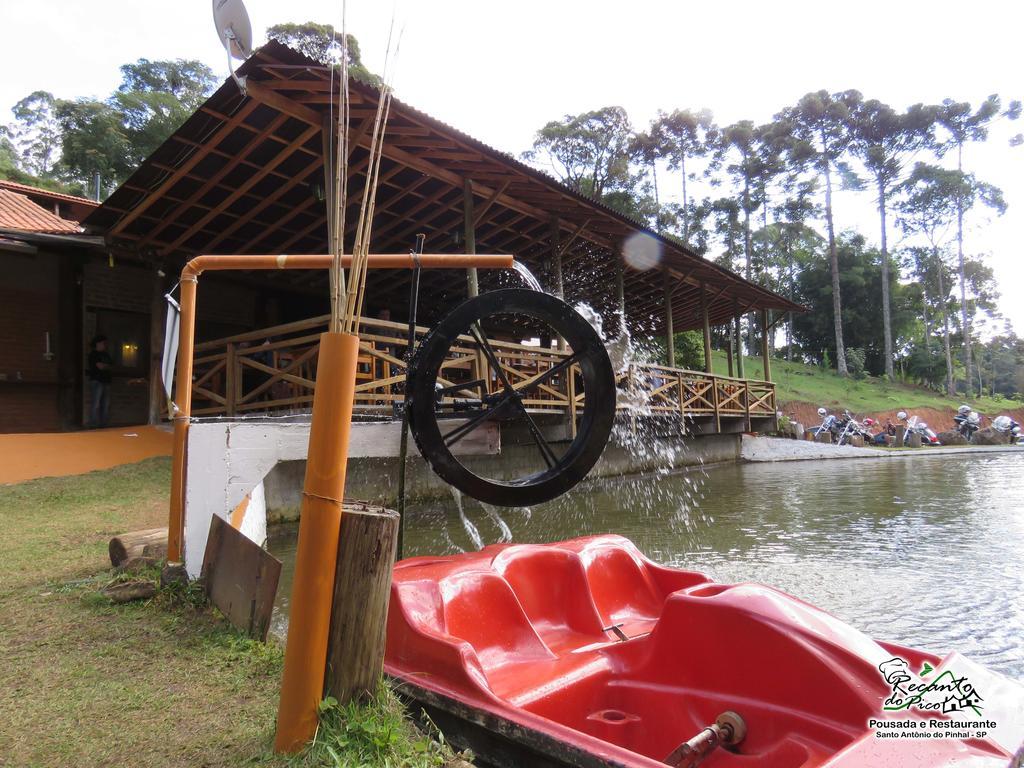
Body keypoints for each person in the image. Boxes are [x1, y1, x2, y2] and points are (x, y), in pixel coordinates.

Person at [87, 334, 113, 428]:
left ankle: (103, 424)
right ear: (98, 343)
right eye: (103, 343)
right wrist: (105, 366)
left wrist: (105, 366)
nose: (105, 345)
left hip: (106, 381)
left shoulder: (106, 354)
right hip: (97, 381)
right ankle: (93, 424)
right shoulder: (93, 354)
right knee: (96, 403)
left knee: (105, 404)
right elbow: (100, 366)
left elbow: (111, 365)